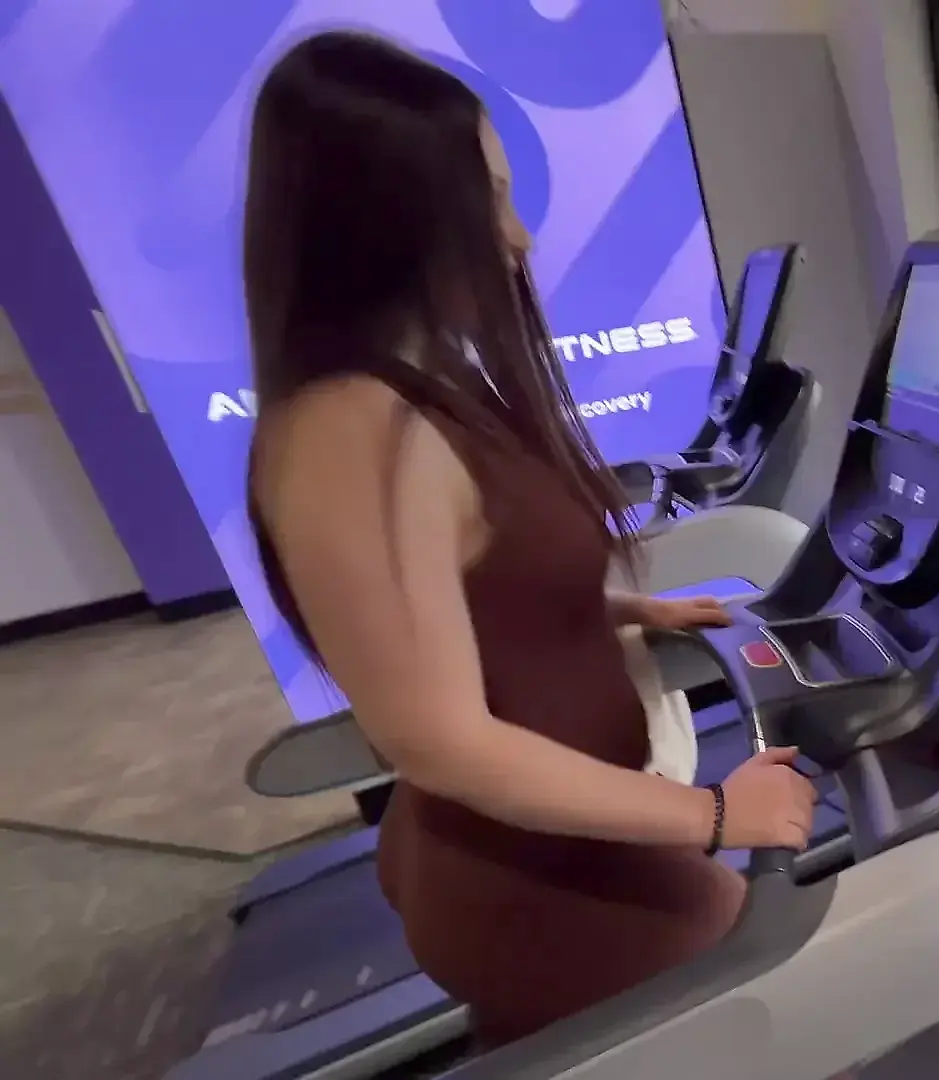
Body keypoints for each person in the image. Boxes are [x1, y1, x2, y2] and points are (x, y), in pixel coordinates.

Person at [241, 31, 819, 1050]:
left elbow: (467, 592)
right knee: (804, 1029)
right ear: (395, 220)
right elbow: (439, 740)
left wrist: (613, 610)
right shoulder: (355, 430)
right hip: (544, 885)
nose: (517, 237)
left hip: (563, 859)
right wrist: (717, 818)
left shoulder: (402, 396)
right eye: (491, 200)